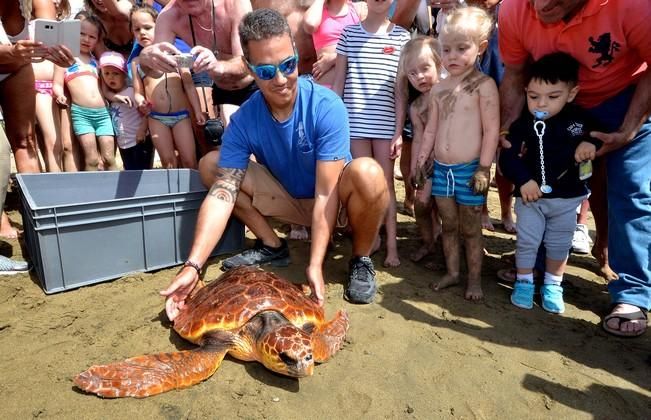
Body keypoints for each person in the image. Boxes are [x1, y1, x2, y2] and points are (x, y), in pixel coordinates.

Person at [161, 8, 389, 320]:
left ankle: (361, 259)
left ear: (296, 54)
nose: (281, 79)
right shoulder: (243, 120)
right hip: (288, 201)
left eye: (288, 65)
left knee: (369, 172)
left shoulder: (327, 106)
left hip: (335, 205)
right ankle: (272, 245)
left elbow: (326, 194)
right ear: (249, 68)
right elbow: (223, 194)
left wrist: (315, 264)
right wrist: (193, 266)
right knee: (211, 166)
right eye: (267, 71)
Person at [497, 0, 651, 336]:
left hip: (625, 97)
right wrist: (508, 128)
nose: (542, 5)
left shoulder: (637, 6)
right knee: (545, 183)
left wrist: (629, 127)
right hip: (553, 105)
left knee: (631, 191)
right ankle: (536, 268)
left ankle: (632, 293)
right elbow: (515, 71)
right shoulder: (512, 9)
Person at [500, 52, 601, 314]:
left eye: (552, 96)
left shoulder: (580, 120)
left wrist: (591, 143)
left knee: (559, 244)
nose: (541, 103)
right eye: (534, 96)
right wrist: (523, 181)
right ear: (526, 92)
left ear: (571, 93)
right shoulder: (524, 123)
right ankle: (523, 282)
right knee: (527, 241)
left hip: (568, 201)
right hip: (531, 200)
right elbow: (508, 158)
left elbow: (600, 136)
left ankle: (553, 284)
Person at [413, 6, 499, 301]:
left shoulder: (484, 86)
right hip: (441, 169)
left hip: (468, 170)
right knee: (448, 224)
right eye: (446, 49)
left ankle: (474, 280)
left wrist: (484, 168)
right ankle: (452, 272)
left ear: (481, 48)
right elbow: (431, 130)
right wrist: (422, 162)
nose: (452, 56)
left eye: (462, 48)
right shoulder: (438, 89)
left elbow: (490, 131)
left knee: (471, 228)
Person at [332, 0, 410, 268]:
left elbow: (402, 92)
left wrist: (399, 131)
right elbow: (339, 83)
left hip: (386, 126)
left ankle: (391, 246)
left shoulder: (402, 37)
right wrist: (335, 124)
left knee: (387, 184)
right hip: (355, 125)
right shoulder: (349, 35)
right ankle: (371, 239)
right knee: (364, 185)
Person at [138, 0, 255, 125]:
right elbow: (156, 73)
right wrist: (145, 59)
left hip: (255, 84)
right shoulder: (169, 15)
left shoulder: (235, 4)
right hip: (221, 90)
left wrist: (218, 66)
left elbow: (247, 63)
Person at [1, 0, 74, 173]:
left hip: (15, 65)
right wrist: (12, 52)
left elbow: (51, 36)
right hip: (11, 55)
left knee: (26, 141)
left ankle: (39, 199)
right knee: (2, 151)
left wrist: (60, 53)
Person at [130, 6, 205, 169]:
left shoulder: (177, 56)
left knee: (189, 160)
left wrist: (198, 111)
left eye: (147, 27)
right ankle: (175, 195)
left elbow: (189, 86)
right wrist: (140, 101)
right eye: (137, 29)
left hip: (182, 116)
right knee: (168, 162)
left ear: (159, 26)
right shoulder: (136, 62)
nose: (142, 32)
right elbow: (138, 92)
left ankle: (192, 194)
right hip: (156, 118)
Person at [394, 35, 442, 263]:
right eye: (412, 73)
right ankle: (428, 242)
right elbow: (419, 138)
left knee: (450, 209)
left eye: (425, 68)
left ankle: (450, 242)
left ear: (439, 64)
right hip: (428, 166)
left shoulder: (452, 95)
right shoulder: (416, 107)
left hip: (452, 164)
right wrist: (414, 168)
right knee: (423, 205)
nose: (419, 76)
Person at [53, 16, 117, 171]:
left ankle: (116, 193)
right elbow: (57, 84)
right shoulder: (65, 60)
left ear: (97, 41)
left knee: (109, 157)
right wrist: (59, 95)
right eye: (82, 34)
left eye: (92, 36)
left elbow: (105, 89)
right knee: (92, 159)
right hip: (81, 114)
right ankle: (92, 193)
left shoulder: (98, 62)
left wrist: (117, 97)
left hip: (103, 114)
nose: (86, 39)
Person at [100, 51, 153, 170]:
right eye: (106, 73)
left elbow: (146, 112)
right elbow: (105, 91)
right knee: (129, 171)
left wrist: (142, 130)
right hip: (123, 144)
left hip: (139, 140)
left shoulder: (132, 92)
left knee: (143, 172)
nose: (110, 77)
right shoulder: (111, 96)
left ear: (124, 74)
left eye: (115, 73)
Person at [302, 0, 367, 88]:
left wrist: (333, 59)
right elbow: (310, 24)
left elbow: (367, 46)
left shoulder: (359, 9)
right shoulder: (318, 11)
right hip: (326, 88)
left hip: (354, 88)